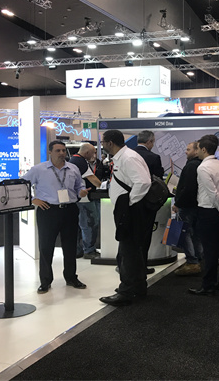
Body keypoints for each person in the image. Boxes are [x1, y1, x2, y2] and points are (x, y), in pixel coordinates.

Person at [22, 140, 89, 294]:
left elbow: (80, 185)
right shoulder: (39, 169)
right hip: (48, 211)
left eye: (63, 151)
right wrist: (33, 200)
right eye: (58, 151)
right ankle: (45, 281)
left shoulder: (73, 168)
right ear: (50, 152)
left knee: (70, 247)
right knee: (46, 247)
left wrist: (82, 191)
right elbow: (22, 184)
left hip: (70, 210)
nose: (61, 153)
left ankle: (71, 277)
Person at [99, 129, 152, 306]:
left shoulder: (128, 158)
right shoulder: (122, 157)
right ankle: (137, 287)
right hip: (128, 209)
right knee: (131, 251)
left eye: (103, 142)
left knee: (127, 252)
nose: (102, 145)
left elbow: (143, 182)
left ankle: (126, 292)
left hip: (131, 210)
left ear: (110, 143)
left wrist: (128, 202)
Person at [188, 135, 219, 295]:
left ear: (203, 149)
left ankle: (208, 285)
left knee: (209, 250)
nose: (196, 151)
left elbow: (212, 193)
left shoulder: (203, 168)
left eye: (197, 148)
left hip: (208, 211)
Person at [134, 130, 164, 275]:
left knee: (129, 236)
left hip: (129, 200)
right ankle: (141, 267)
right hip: (147, 202)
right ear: (149, 142)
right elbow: (158, 180)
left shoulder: (128, 155)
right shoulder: (153, 157)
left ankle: (125, 265)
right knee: (144, 235)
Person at [172, 141, 204, 276]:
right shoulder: (201, 165)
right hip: (198, 205)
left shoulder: (191, 166)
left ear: (196, 151)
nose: (186, 151)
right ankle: (198, 258)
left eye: (188, 149)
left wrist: (178, 203)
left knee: (184, 233)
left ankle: (192, 261)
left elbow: (188, 188)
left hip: (188, 206)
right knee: (196, 234)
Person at [69, 143, 102, 259]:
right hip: (84, 198)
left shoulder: (74, 159)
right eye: (93, 153)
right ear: (87, 152)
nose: (94, 155)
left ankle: (78, 250)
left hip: (78, 197)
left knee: (81, 224)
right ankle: (89, 250)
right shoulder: (80, 161)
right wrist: (102, 185)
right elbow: (92, 178)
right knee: (90, 223)